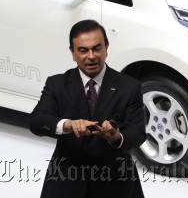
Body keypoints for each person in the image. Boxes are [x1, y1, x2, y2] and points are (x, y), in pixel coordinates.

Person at [29, 19, 146, 198]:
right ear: (73, 52)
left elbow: (137, 132)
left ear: (106, 47)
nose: (91, 56)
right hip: (66, 183)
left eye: (97, 48)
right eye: (83, 50)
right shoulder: (57, 84)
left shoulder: (129, 87)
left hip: (115, 184)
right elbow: (36, 121)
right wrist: (67, 125)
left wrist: (116, 137)